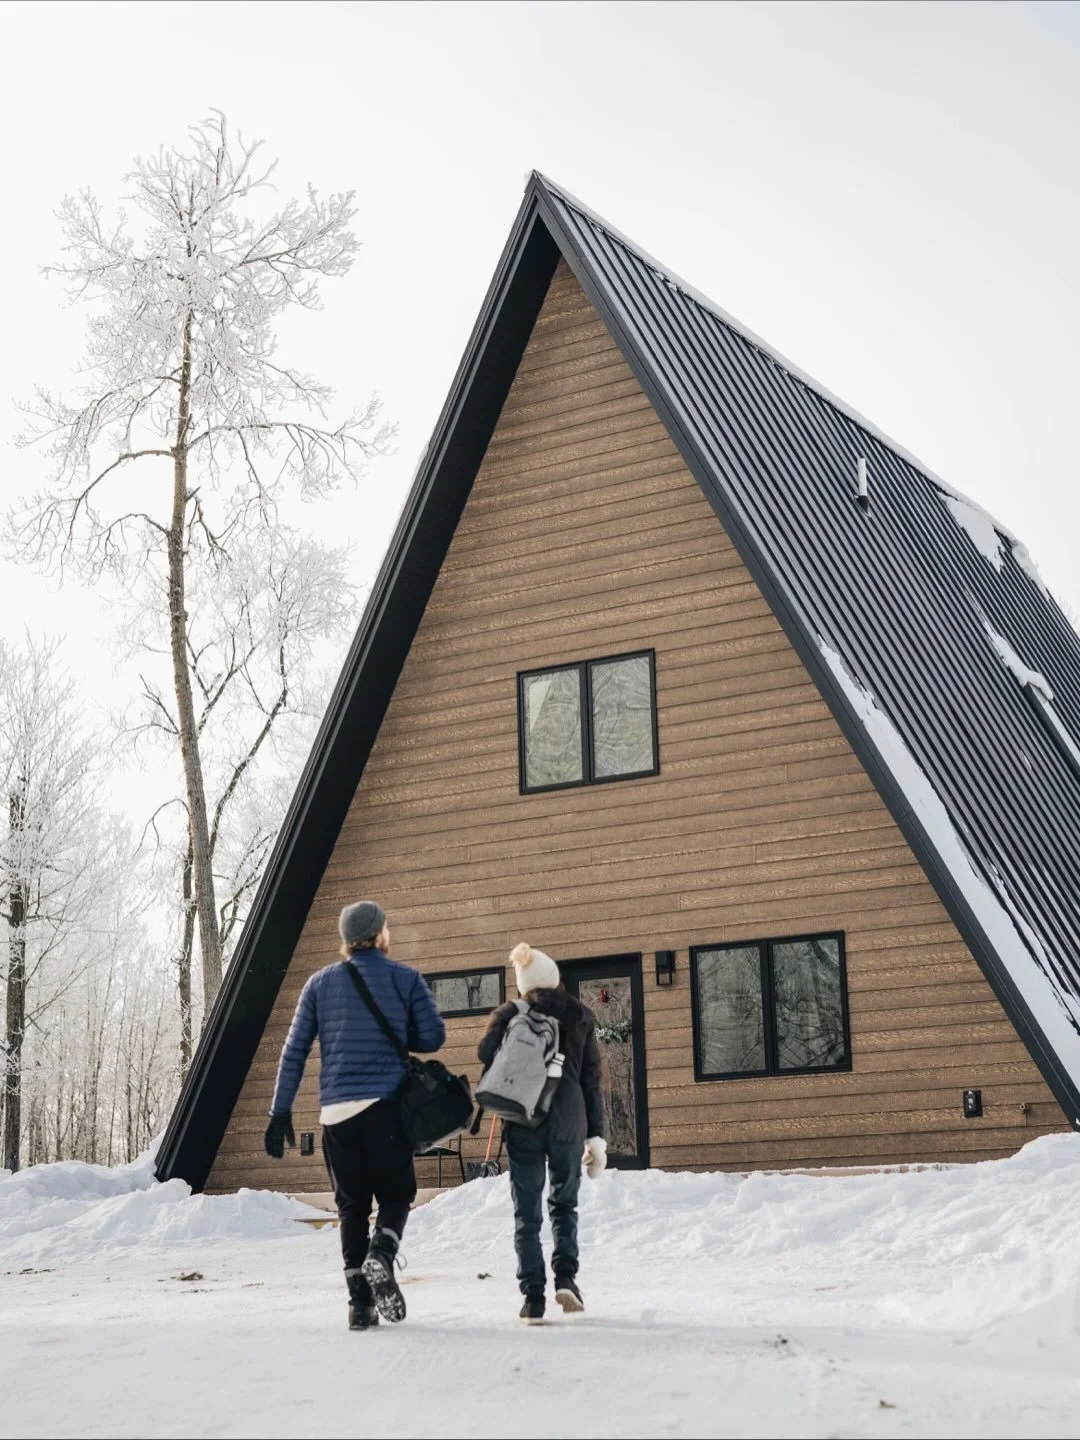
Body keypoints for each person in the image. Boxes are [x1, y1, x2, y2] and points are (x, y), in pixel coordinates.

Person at [264, 900, 446, 1330]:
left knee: (350, 1208)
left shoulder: (318, 984)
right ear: (381, 935)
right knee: (397, 1195)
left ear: (346, 940)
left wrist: (280, 1111)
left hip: (336, 1115)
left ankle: (359, 1306)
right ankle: (381, 1254)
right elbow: (433, 1037)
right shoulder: (405, 979)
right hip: (385, 1108)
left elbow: (294, 1051)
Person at [478, 941, 607, 1324]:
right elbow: (591, 1079)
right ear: (554, 978)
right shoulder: (580, 1015)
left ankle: (532, 1297)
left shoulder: (510, 1012)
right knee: (564, 1204)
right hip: (569, 1119)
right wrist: (595, 1137)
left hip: (523, 1119)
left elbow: (485, 1055)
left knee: (527, 1212)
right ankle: (566, 1278)